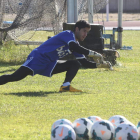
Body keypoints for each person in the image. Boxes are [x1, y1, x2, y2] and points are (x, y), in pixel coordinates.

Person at [0, 20, 113, 92]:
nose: (85, 34)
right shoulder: (68, 34)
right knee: (15, 77)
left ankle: (65, 86)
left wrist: (100, 65)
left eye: (87, 32)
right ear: (77, 29)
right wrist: (94, 53)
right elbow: (75, 46)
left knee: (74, 64)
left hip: (50, 63)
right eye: (84, 31)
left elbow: (84, 63)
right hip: (38, 58)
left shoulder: (76, 45)